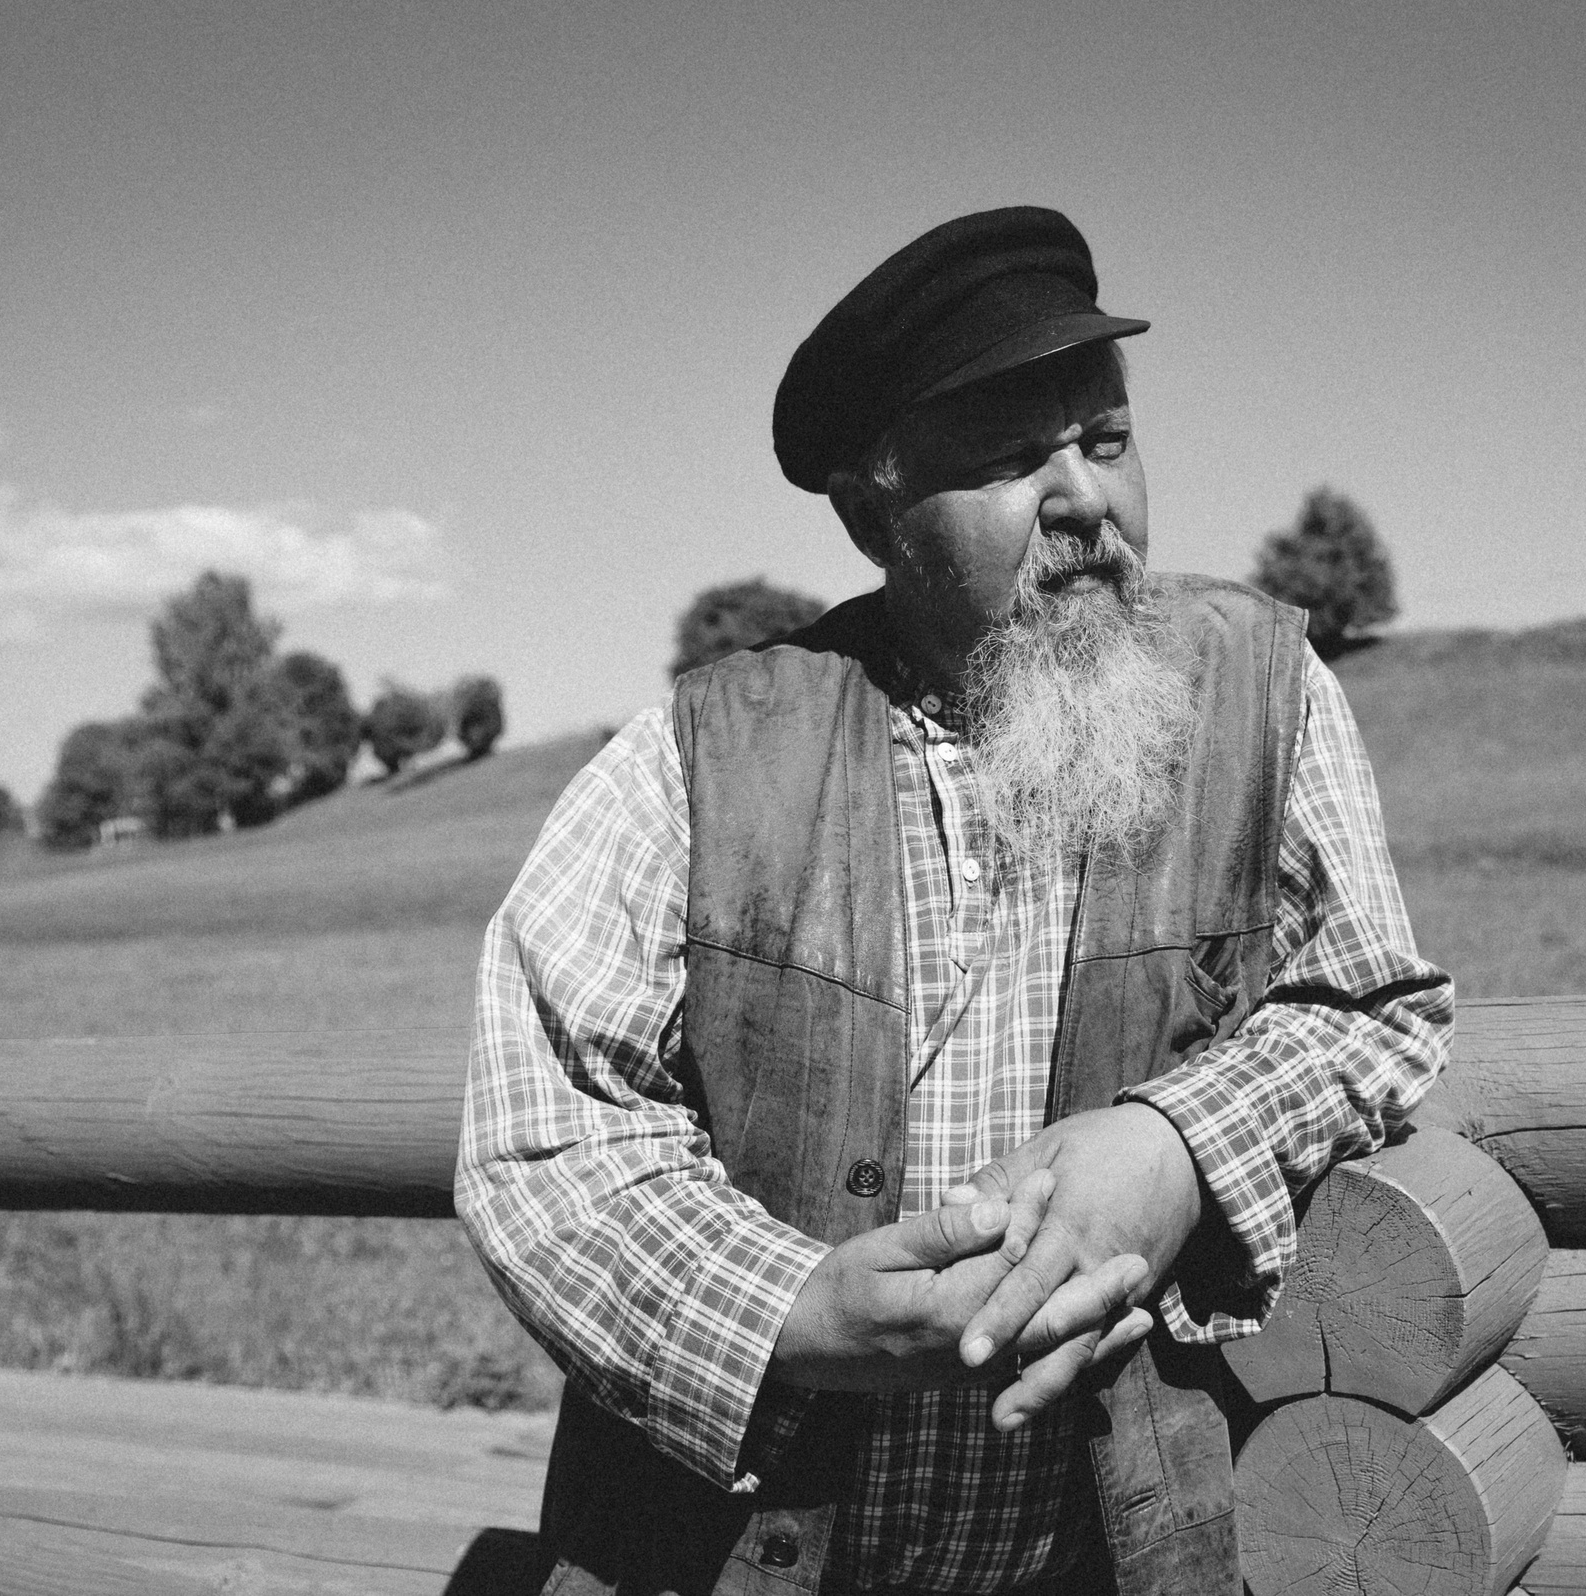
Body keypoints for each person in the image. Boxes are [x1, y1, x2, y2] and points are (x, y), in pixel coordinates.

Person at [458, 206, 1453, 1596]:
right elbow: (549, 1142)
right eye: (1006, 460)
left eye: (1105, 440)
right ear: (876, 513)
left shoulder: (1266, 695)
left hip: (1111, 1554)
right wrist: (795, 1313)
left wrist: (1175, 1147)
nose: (1086, 503)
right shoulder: (693, 758)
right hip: (732, 1559)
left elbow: (1366, 1010)